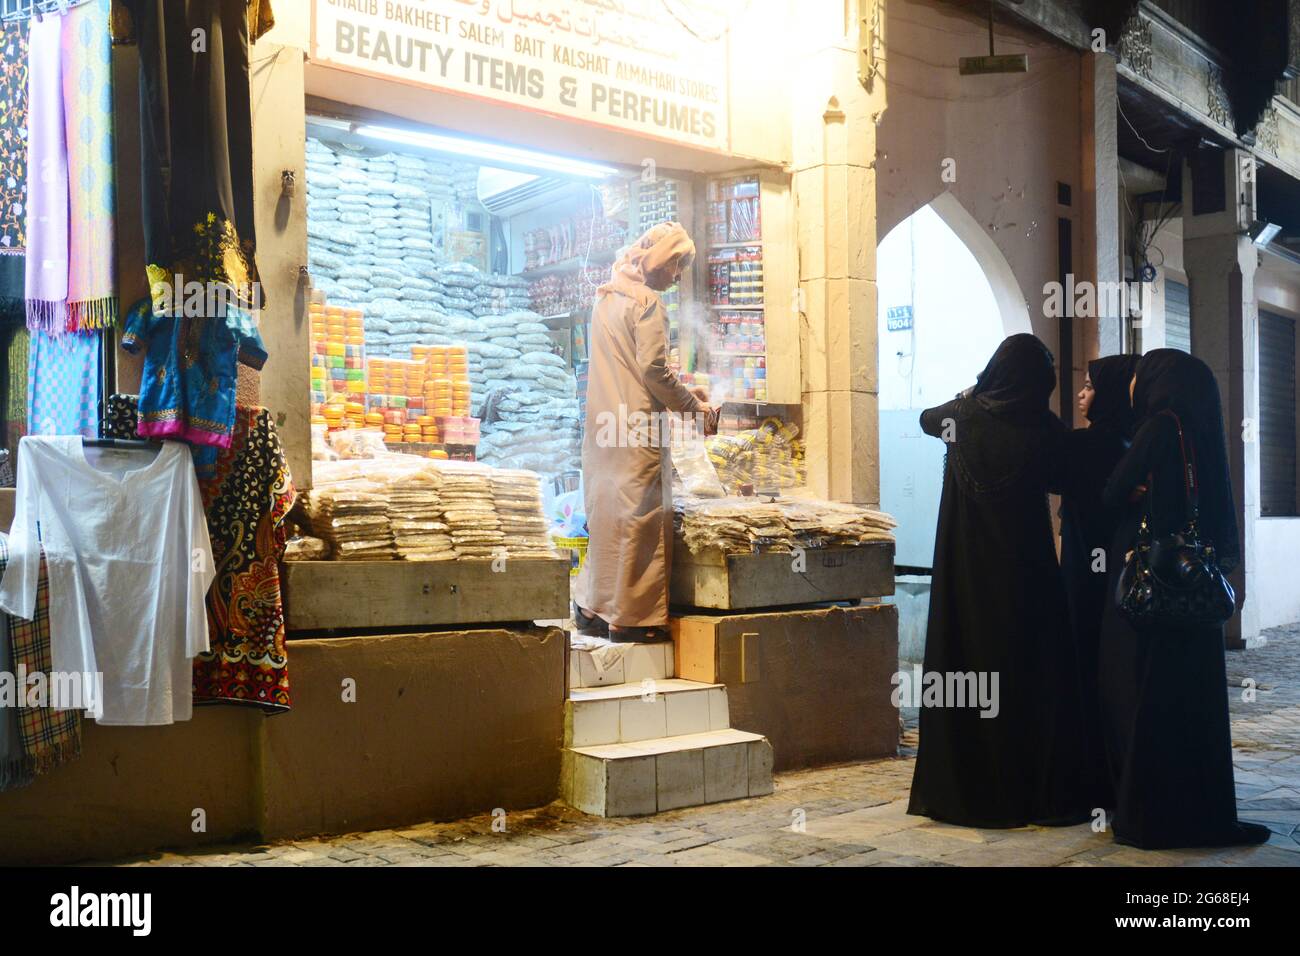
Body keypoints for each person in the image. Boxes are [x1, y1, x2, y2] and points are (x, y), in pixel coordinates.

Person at [907, 333, 1090, 828]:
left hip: (966, 575)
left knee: (968, 667)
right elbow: (1066, 473)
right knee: (1030, 674)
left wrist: (971, 392)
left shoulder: (960, 418)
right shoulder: (1041, 426)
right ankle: (1030, 790)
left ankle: (969, 791)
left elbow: (925, 419)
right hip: (1026, 577)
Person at [1097, 349, 1270, 849]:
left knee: (1156, 705)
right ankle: (1203, 815)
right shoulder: (1202, 431)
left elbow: (1112, 492)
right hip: (1198, 592)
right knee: (1198, 708)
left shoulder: (1159, 426)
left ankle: (1151, 818)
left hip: (1162, 591)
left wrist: (1138, 490)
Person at [574, 223, 717, 642]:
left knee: (607, 518)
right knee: (641, 520)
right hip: (638, 432)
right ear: (658, 259)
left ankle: (591, 608)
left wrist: (685, 392)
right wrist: (693, 409)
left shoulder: (607, 297)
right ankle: (632, 620)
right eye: (676, 264)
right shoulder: (648, 303)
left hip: (605, 430)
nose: (677, 275)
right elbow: (654, 371)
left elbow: (630, 368)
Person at [1058, 354, 1141, 810]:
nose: (1081, 392)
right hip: (1117, 571)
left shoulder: (1081, 445)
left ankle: (1086, 772)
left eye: (1090, 386)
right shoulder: (1133, 441)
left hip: (1084, 570)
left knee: (1082, 659)